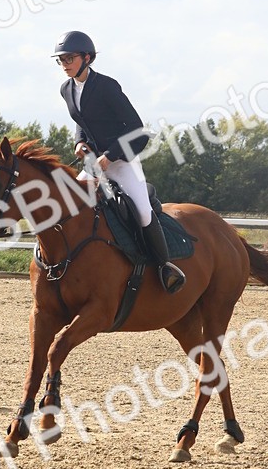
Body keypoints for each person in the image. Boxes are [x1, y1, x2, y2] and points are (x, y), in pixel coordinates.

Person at [52, 30, 186, 294]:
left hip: (122, 161)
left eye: (69, 58)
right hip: (93, 164)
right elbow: (82, 122)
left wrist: (110, 156)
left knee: (143, 212)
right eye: (61, 60)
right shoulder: (66, 89)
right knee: (68, 204)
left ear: (87, 58)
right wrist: (79, 142)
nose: (64, 64)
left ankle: (165, 268)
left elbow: (137, 129)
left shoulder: (106, 86)